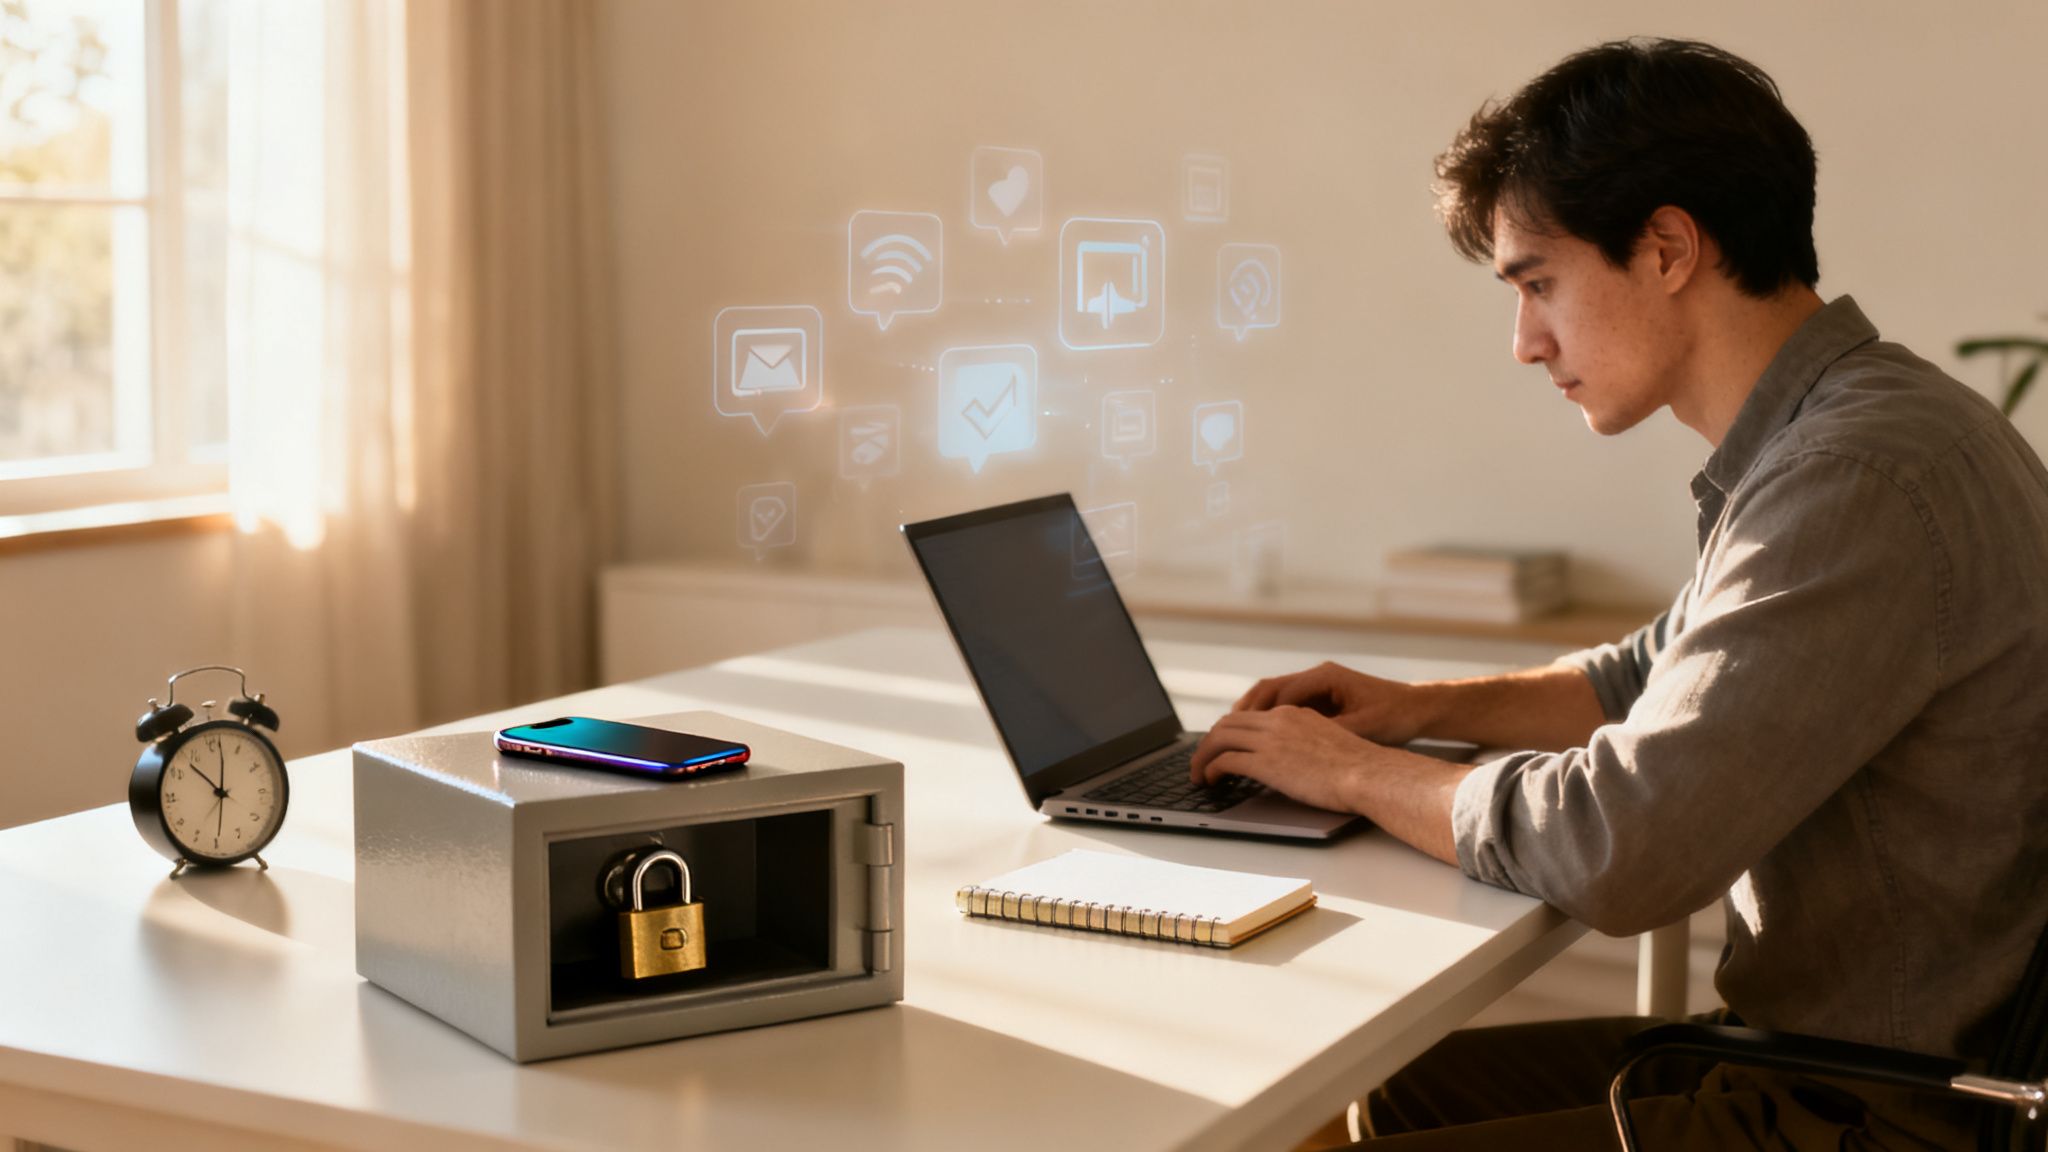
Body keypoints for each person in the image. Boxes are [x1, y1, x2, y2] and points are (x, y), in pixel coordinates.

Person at [1188, 37, 2048, 1151]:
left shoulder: (1853, 475)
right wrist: (1413, 708)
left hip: (1877, 1111)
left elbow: (1619, 848)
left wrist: (1350, 772)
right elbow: (1649, 674)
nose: (1523, 342)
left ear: (1667, 248)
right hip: (1853, 1058)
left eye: (1538, 283)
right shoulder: (1858, 427)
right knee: (1397, 1092)